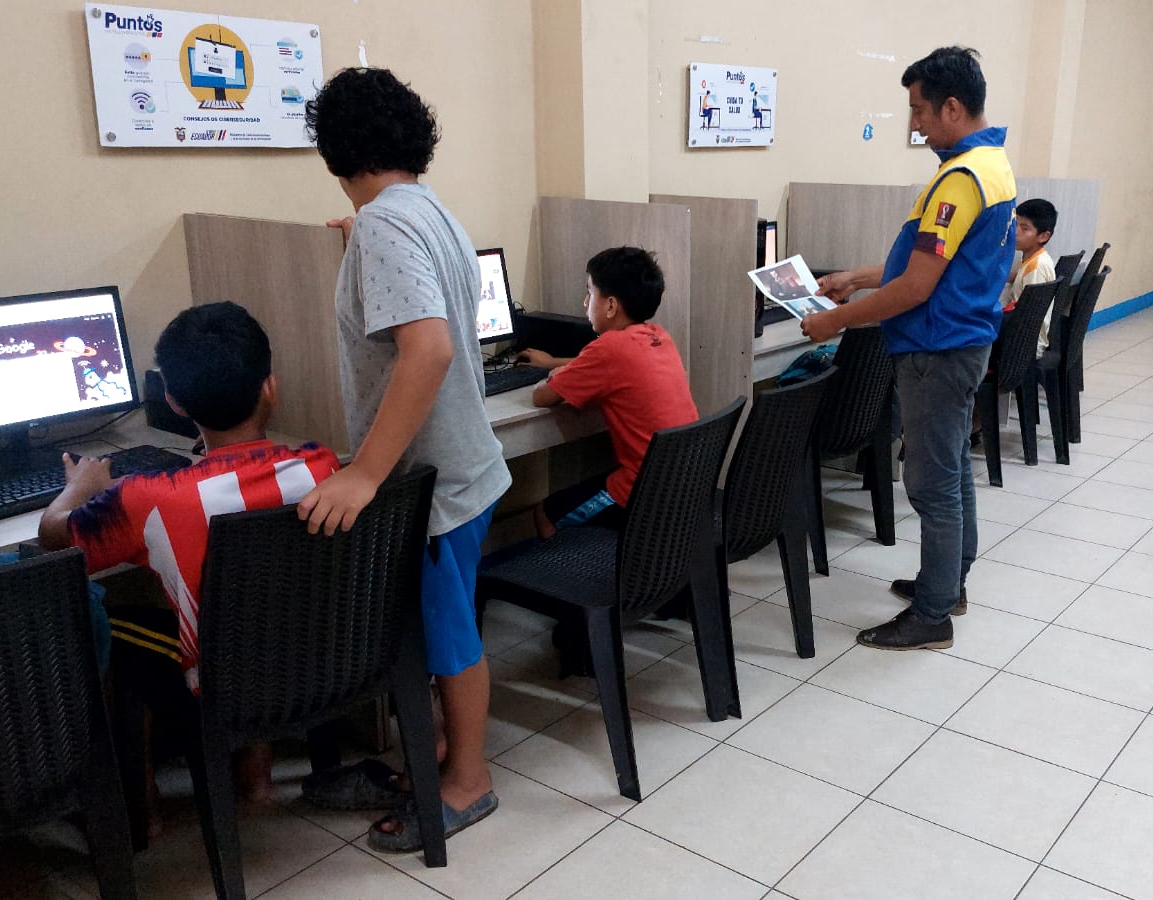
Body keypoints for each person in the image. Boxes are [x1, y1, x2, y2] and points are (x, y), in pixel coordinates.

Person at [296, 67, 511, 852]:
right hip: (466, 464)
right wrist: (359, 238)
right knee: (447, 630)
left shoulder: (385, 227)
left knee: (449, 641)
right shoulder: (424, 211)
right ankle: (449, 748)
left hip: (432, 484)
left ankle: (468, 783)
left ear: (335, 153)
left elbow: (429, 349)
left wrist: (363, 474)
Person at [37, 301, 340, 824]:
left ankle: (144, 808)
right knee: (259, 600)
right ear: (270, 387)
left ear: (174, 403)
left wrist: (79, 488)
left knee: (113, 622)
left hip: (222, 684)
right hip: (321, 659)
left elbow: (53, 538)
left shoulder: (148, 499)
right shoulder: (320, 465)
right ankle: (258, 775)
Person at [799, 46, 1017, 651]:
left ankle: (932, 615)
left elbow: (918, 287)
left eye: (920, 110)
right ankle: (949, 585)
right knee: (953, 469)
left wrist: (835, 321)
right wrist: (856, 278)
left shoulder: (960, 180)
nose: (915, 123)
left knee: (931, 483)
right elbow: (933, 264)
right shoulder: (991, 164)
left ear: (953, 107)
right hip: (962, 341)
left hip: (937, 349)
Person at [518, 246, 698, 538]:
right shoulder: (657, 336)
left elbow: (542, 397)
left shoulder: (609, 348)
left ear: (611, 306)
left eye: (590, 292)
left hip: (641, 491)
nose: (584, 302)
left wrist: (552, 375)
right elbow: (606, 364)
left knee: (545, 512)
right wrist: (554, 362)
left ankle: (566, 566)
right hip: (684, 483)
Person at [1005, 198, 1059, 355]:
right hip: (1024, 337)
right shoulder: (1034, 259)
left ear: (1043, 236)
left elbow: (1027, 315)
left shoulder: (1036, 267)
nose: (1016, 232)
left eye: (1024, 228)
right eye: (1015, 224)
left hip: (1025, 345)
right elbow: (1019, 278)